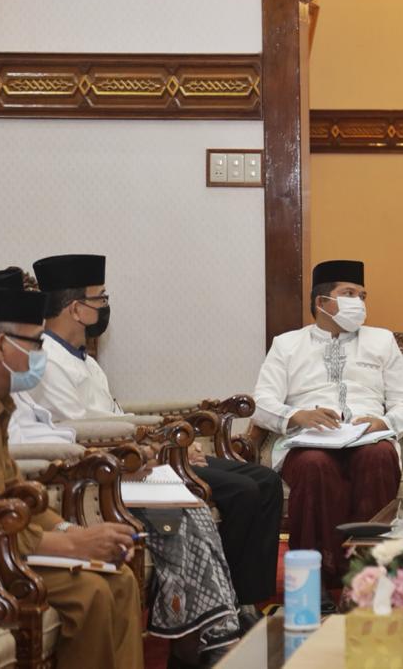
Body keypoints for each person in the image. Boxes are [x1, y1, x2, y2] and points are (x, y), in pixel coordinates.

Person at [25, 254, 269, 661]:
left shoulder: (84, 359)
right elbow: (81, 429)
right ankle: (205, 634)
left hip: (130, 464)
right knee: (188, 513)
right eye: (100, 298)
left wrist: (156, 444)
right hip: (105, 476)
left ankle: (213, 627)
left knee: (206, 507)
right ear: (77, 308)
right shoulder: (45, 361)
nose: (105, 307)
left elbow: (114, 417)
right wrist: (151, 449)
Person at [0, 269, 143, 669]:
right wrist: (71, 547)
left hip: (4, 544)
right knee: (91, 594)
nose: (41, 355)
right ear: (0, 345)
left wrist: (73, 531)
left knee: (121, 580)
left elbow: (16, 495)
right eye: (36, 343)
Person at [252, 259, 403, 594]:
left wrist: (383, 422)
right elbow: (261, 404)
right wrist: (296, 416)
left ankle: (371, 577)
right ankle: (318, 583)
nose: (359, 302)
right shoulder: (287, 344)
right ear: (322, 302)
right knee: (315, 466)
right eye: (349, 293)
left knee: (379, 458)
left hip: (368, 438)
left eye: (362, 295)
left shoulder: (382, 341)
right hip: (309, 441)